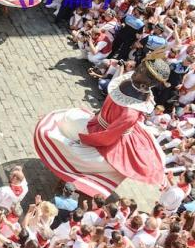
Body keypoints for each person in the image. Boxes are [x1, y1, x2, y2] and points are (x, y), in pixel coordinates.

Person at [35, 53, 170, 197]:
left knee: (79, 155)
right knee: (68, 118)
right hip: (100, 123)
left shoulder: (130, 113)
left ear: (148, 82)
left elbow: (108, 137)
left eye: (143, 70)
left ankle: (71, 181)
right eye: (142, 65)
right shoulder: (131, 79)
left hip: (109, 141)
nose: (138, 68)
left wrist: (84, 140)